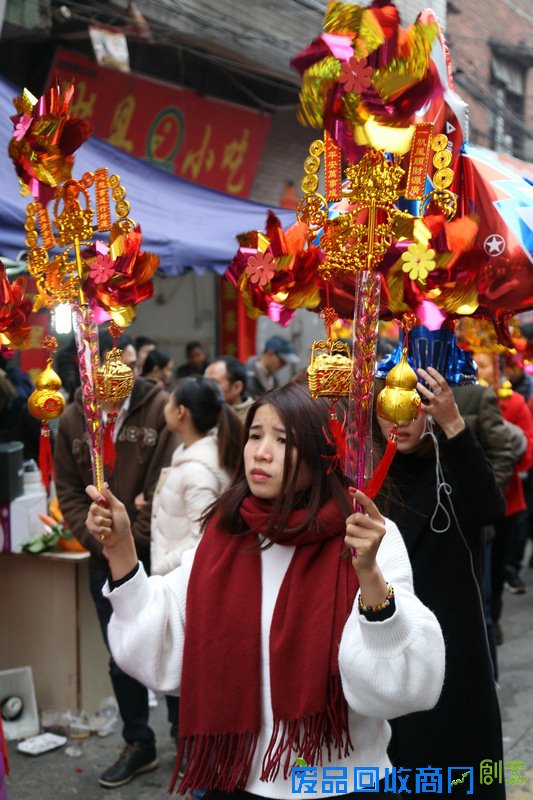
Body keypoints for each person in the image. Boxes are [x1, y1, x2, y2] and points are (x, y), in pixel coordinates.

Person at [85, 383, 445, 799]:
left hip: (341, 782)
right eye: (255, 435)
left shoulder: (367, 536)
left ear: (323, 451)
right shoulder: (226, 533)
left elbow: (404, 686)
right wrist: (121, 548)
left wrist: (369, 577)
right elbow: (161, 641)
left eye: (283, 440)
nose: (261, 452)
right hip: (236, 779)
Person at [54, 336, 179, 789]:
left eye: (129, 362)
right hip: (101, 559)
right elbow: (67, 491)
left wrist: (132, 538)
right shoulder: (71, 420)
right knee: (121, 654)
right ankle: (139, 743)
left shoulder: (159, 407)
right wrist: (100, 541)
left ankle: (185, 740)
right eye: (113, 364)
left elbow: (164, 485)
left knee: (173, 642)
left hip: (159, 556)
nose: (125, 371)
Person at [374, 366, 505, 797]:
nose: (400, 422)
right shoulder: (365, 478)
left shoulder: (451, 464)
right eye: (388, 409)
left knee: (456, 766)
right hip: (386, 642)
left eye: (412, 409)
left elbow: (490, 507)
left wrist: (453, 423)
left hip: (453, 642)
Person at [151, 376, 242, 737]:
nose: (166, 407)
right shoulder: (187, 455)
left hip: (184, 586)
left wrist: (162, 565)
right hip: (175, 580)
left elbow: (203, 542)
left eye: (170, 401)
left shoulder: (199, 471)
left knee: (189, 676)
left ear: (182, 412)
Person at [204, 355, 254, 421]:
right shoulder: (204, 412)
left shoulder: (255, 416)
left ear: (237, 387)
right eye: (204, 381)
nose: (206, 387)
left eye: (213, 383)